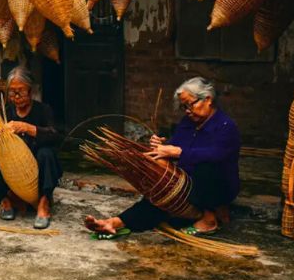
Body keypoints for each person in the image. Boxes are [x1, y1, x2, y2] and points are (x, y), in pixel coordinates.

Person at [85, 77, 241, 238]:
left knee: (206, 166)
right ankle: (113, 223)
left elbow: (216, 155)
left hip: (218, 185)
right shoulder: (187, 122)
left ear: (208, 99)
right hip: (189, 184)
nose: (187, 110)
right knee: (160, 197)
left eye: (190, 104)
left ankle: (209, 220)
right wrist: (162, 146)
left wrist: (178, 152)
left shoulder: (226, 126)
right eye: (183, 107)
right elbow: (175, 145)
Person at [0, 67, 62, 229]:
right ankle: (5, 200)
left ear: (31, 91)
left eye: (21, 92)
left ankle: (44, 203)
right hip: (12, 167)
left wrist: (26, 127)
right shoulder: (6, 112)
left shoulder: (43, 110)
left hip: (35, 167)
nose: (16, 97)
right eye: (12, 92)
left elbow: (55, 136)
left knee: (47, 154)